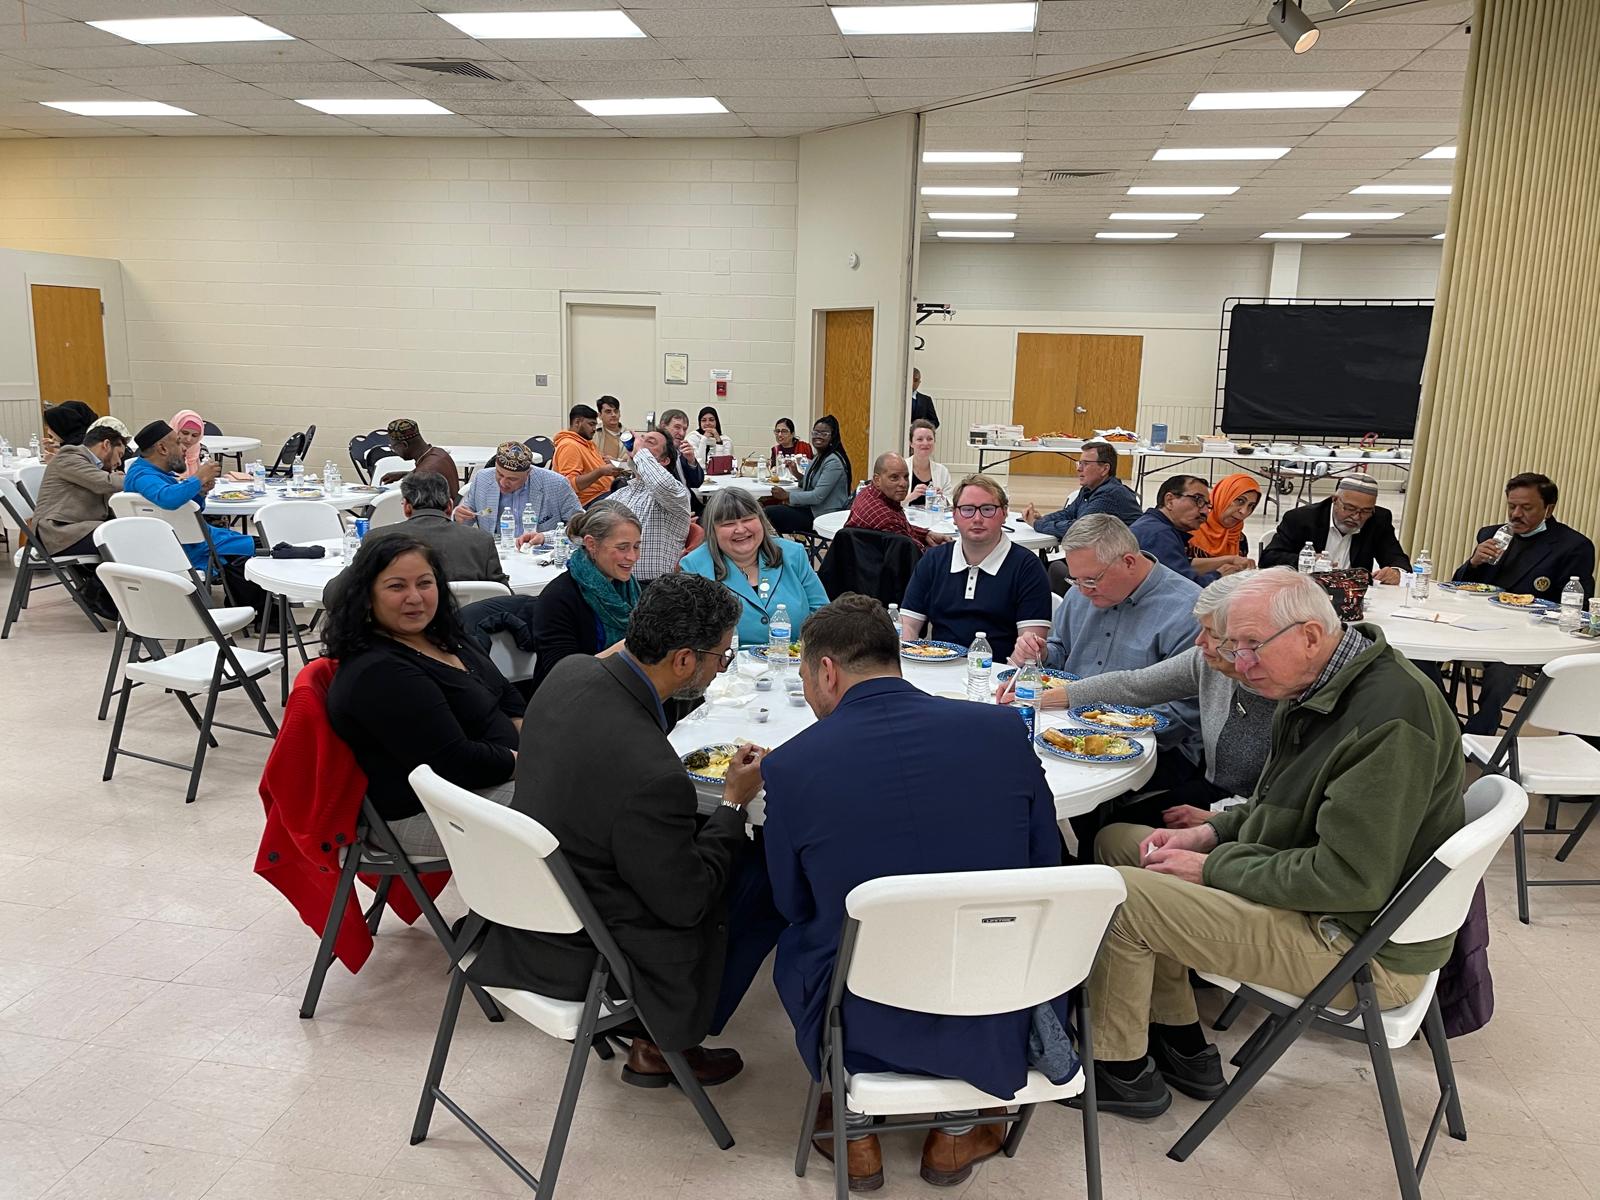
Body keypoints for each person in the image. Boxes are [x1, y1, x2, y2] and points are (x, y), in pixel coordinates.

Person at [1083, 569, 1464, 1118]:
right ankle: (1176, 1033)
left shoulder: (1389, 719)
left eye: (1251, 646)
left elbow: (1348, 880)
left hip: (1360, 947)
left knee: (1121, 895)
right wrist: (1209, 833)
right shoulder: (1320, 684)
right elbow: (1279, 804)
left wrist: (1212, 868)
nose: (1239, 665)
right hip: (1325, 901)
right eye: (1233, 647)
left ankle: (1117, 1071)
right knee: (1119, 842)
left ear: (1309, 635)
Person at [762, 596, 1063, 1189]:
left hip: (863, 1002)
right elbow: (1044, 864)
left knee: (805, 939)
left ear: (827, 671)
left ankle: (857, 1133)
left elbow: (792, 904)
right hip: (992, 992)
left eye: (804, 676)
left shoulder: (792, 766)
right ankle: (954, 1134)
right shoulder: (1002, 730)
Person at [466, 574, 764, 1087]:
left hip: (525, 900)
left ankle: (656, 1044)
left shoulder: (570, 672)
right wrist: (734, 802)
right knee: (763, 871)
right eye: (722, 657)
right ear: (684, 660)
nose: (721, 667)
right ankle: (668, 1039)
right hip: (588, 940)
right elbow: (687, 902)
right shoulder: (654, 775)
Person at [1012, 514, 1204, 848]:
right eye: (1075, 580)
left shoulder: (1188, 609)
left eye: (1091, 580)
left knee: (1044, 794)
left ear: (1128, 561)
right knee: (1012, 776)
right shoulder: (1082, 592)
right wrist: (1040, 654)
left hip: (1154, 746)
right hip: (1065, 723)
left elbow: (1186, 712)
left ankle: (1082, 860)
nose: (1083, 590)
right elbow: (1061, 651)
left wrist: (1106, 729)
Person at [323, 535, 523, 856]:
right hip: (426, 810)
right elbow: (454, 763)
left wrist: (540, 749)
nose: (415, 597)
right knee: (578, 816)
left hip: (486, 780)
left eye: (425, 583)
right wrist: (532, 763)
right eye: (397, 586)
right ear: (367, 596)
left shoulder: (443, 636)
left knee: (593, 790)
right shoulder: (379, 672)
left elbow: (508, 698)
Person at [1044, 571, 1271, 824]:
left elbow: (1288, 806)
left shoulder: (1283, 690)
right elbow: (1135, 685)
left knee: (1108, 830)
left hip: (1249, 813)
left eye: (1212, 633)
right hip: (1218, 791)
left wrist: (1219, 821)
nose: (1199, 641)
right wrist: (1051, 697)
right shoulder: (1208, 661)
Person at [1450, 472, 1595, 734]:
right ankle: (1447, 722)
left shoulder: (1573, 546)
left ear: (1549, 509)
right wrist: (1473, 563)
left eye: (1526, 508)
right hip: (1476, 628)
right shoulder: (1492, 534)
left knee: (1503, 668)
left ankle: (1478, 732)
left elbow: (1576, 607)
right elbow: (1461, 587)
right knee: (1422, 656)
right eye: (1511, 506)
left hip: (1528, 637)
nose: (1516, 514)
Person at [900, 474, 1052, 662]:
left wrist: (1000, 677)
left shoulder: (1028, 568)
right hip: (937, 668)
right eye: (967, 509)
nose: (977, 518)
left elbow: (1029, 650)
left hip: (1000, 673)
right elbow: (908, 626)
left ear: (1004, 513)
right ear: (954, 515)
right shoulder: (933, 560)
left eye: (987, 509)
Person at [123, 418, 263, 608]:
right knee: (259, 550)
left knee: (255, 545)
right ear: (162, 448)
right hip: (185, 547)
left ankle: (245, 606)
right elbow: (168, 499)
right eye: (178, 442)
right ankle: (260, 613)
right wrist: (198, 477)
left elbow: (188, 509)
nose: (185, 448)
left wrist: (200, 491)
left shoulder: (153, 473)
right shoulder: (143, 475)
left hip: (189, 541)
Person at [682, 488, 828, 646]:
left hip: (793, 657)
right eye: (728, 524)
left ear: (761, 520)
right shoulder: (694, 566)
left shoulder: (793, 554)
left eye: (747, 519)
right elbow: (690, 633)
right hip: (728, 660)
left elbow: (822, 614)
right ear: (713, 531)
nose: (740, 530)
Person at [329, 472, 506, 600]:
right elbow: (503, 594)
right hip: (467, 632)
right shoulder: (481, 540)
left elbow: (335, 594)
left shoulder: (378, 538)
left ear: (407, 507)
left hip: (397, 633)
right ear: (449, 506)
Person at [529, 502, 642, 690]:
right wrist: (635, 646)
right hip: (573, 699)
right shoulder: (558, 599)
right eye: (622, 547)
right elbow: (561, 676)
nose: (633, 557)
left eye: (636, 546)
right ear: (591, 544)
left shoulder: (635, 592)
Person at [1023, 441, 1142, 591]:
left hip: (1118, 568)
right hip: (1101, 557)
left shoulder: (1110, 495)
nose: (1079, 468)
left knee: (1046, 570)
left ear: (1105, 469)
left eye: (1085, 464)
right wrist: (1042, 519)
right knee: (1039, 568)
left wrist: (1037, 524)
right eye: (1079, 463)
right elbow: (1068, 513)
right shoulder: (1090, 489)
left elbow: (1078, 530)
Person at [1259, 476, 1411, 583]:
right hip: (1307, 592)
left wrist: (1396, 572)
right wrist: (1307, 561)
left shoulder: (1378, 520)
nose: (1356, 517)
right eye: (1350, 508)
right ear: (1335, 500)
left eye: (1365, 511)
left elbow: (1397, 558)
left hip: (1355, 596)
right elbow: (1268, 558)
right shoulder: (1301, 518)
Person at [453, 440, 582, 547]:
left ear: (528, 473)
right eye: (499, 474)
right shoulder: (482, 479)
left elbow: (581, 527)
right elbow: (466, 518)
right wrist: (458, 517)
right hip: (496, 555)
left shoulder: (556, 484)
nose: (503, 483)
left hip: (540, 557)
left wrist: (546, 537)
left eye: (512, 479)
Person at [32, 422, 128, 558]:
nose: (119, 462)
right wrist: (140, 479)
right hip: (58, 533)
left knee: (128, 531)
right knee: (125, 537)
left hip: (78, 528)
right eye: (119, 454)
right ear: (106, 445)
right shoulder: (69, 457)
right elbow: (105, 483)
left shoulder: (93, 466)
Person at [613, 430, 692, 585]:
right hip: (614, 583)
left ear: (664, 461)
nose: (640, 444)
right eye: (640, 440)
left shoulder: (676, 493)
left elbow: (660, 484)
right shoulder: (621, 494)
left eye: (650, 442)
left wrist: (640, 452)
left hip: (653, 587)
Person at [843, 451, 947, 552]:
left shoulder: (866, 492)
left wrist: (926, 534)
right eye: (894, 477)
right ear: (877, 479)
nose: (903, 483)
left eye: (906, 477)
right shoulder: (886, 519)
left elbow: (900, 527)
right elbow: (917, 553)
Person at [766, 415, 852, 535]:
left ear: (833, 436)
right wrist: (796, 473)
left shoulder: (833, 461)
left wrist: (787, 496)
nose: (818, 436)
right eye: (816, 432)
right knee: (769, 511)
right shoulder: (820, 457)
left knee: (769, 513)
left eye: (824, 433)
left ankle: (776, 545)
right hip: (810, 509)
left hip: (823, 515)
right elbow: (810, 484)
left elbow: (817, 496)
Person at [1131, 475, 1222, 586]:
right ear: (1170, 501)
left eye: (1207, 505)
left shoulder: (1153, 526)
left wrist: (1226, 561)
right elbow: (1185, 588)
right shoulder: (1159, 535)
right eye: (1198, 500)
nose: (1205, 512)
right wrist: (1221, 575)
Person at [1186, 472, 1259, 578]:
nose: (1244, 511)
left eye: (1251, 506)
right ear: (1222, 497)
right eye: (1240, 501)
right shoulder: (1188, 530)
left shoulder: (1239, 538)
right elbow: (1177, 570)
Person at [553, 404, 626, 506]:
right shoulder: (569, 445)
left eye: (595, 425)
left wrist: (612, 465)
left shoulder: (587, 443)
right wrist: (601, 471)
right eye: (591, 424)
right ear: (577, 422)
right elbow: (570, 485)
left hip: (604, 493)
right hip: (588, 501)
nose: (594, 429)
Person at [382, 418, 461, 505]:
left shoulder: (424, 473)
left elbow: (420, 509)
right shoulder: (439, 452)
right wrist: (404, 474)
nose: (394, 451)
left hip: (441, 513)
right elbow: (432, 474)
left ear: (404, 445)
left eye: (393, 447)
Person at [905, 418, 952, 508]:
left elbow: (950, 502)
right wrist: (912, 496)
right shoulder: (901, 468)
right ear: (911, 443)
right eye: (920, 439)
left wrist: (942, 498)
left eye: (929, 439)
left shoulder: (942, 471)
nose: (925, 443)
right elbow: (892, 503)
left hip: (934, 516)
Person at [660, 408, 707, 493]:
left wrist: (691, 461)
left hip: (689, 499)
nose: (682, 433)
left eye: (684, 429)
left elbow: (697, 483)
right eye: (677, 427)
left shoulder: (681, 451)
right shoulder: (655, 452)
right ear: (663, 427)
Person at [170, 409, 206, 479]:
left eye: (195, 435)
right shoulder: (165, 450)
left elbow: (207, 476)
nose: (189, 439)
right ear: (176, 430)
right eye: (185, 433)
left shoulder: (202, 450)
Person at [591, 394, 627, 460]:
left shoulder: (628, 435)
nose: (613, 415)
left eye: (616, 411)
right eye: (608, 412)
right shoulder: (592, 432)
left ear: (619, 413)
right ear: (600, 415)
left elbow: (630, 461)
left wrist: (615, 461)